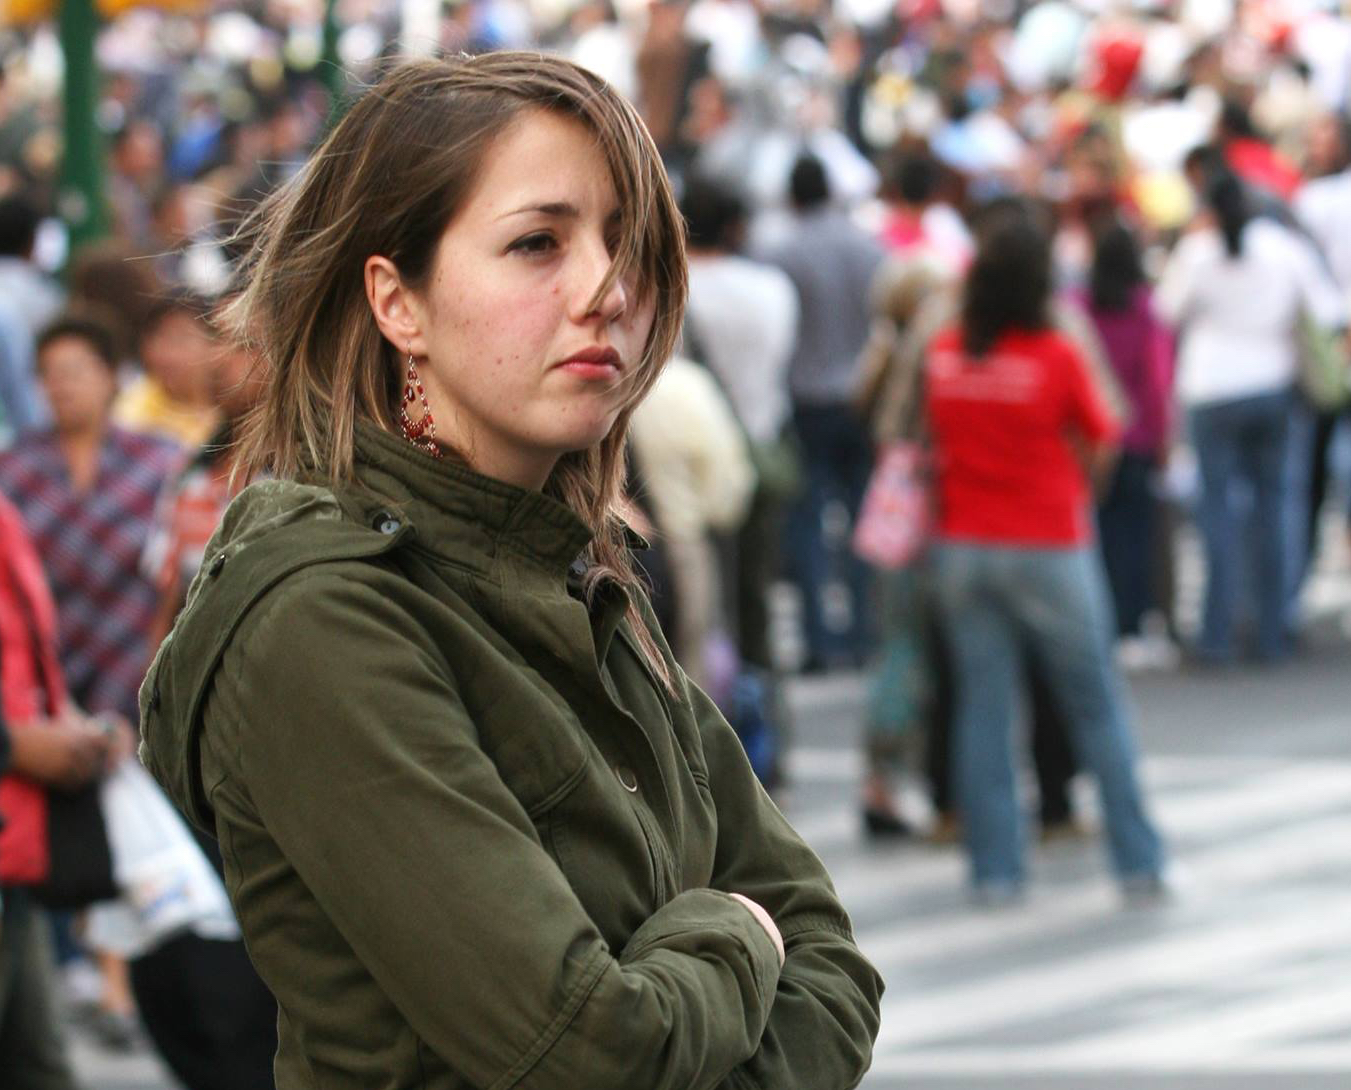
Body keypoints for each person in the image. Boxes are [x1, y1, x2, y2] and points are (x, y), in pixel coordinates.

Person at [140, 54, 882, 1088]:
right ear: (398, 302)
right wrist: (735, 929)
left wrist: (727, 966)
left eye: (624, 244)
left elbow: (834, 958)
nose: (606, 290)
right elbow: (590, 1049)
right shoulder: (322, 611)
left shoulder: (572, 560)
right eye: (538, 243)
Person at [924, 213, 1166, 902]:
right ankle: (1137, 859)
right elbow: (1104, 436)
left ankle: (995, 869)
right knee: (1095, 705)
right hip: (1048, 542)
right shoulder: (1056, 354)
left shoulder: (946, 353)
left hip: (964, 544)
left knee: (983, 708)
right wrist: (1078, 490)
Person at [1157, 168, 1345, 663]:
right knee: (1277, 508)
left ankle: (1217, 634)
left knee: (1216, 513)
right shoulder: (1285, 249)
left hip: (1211, 390)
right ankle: (1271, 630)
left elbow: (1165, 312)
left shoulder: (1197, 253)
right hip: (1275, 387)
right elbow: (1327, 312)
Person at [0, 492, 118, 1088]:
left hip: (14, 857)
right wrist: (18, 746)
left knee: (40, 1068)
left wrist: (70, 724)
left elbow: (24, 657)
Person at [761, 153, 886, 671]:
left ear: (793, 196)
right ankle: (864, 634)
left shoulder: (781, 253)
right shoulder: (868, 248)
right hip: (860, 396)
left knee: (808, 522)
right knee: (866, 519)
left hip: (807, 397)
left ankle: (818, 639)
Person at [1075, 219, 1175, 657]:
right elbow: (1156, 382)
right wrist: (1162, 436)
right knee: (1134, 538)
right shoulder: (1145, 309)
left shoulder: (1076, 306)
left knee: (1094, 536)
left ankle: (1098, 621)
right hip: (1134, 439)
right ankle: (1131, 624)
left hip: (1087, 440)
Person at [113, 292, 221, 450]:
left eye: (180, 339)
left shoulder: (233, 409)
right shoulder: (130, 412)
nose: (166, 353)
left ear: (215, 343)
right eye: (157, 337)